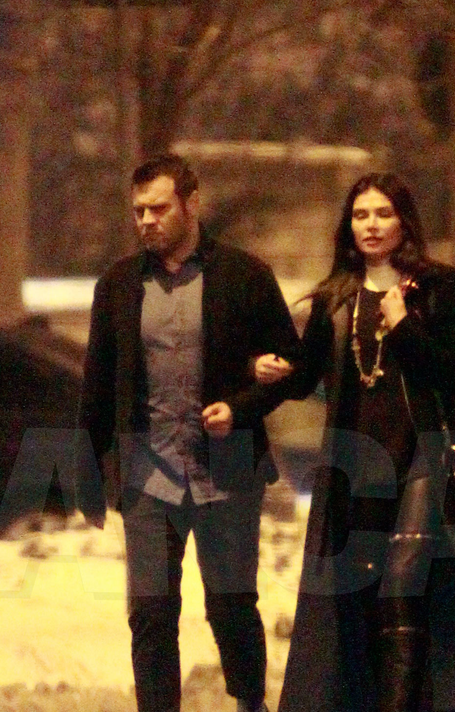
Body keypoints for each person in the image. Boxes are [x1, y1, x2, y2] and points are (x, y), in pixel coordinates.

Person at [258, 173, 455, 712]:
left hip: (421, 464)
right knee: (358, 603)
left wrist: (404, 327)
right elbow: (307, 376)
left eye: (383, 213)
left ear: (404, 221)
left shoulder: (438, 288)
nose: (371, 225)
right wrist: (273, 377)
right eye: (361, 215)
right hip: (355, 473)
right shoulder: (336, 298)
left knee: (401, 589)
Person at [76, 154, 301, 712]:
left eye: (158, 209)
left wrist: (242, 407)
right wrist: (90, 471)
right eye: (138, 211)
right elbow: (98, 383)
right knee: (150, 614)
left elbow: (291, 366)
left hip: (225, 475)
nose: (147, 221)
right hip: (148, 476)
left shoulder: (245, 276)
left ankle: (250, 701)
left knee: (231, 606)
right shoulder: (119, 285)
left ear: (191, 204)